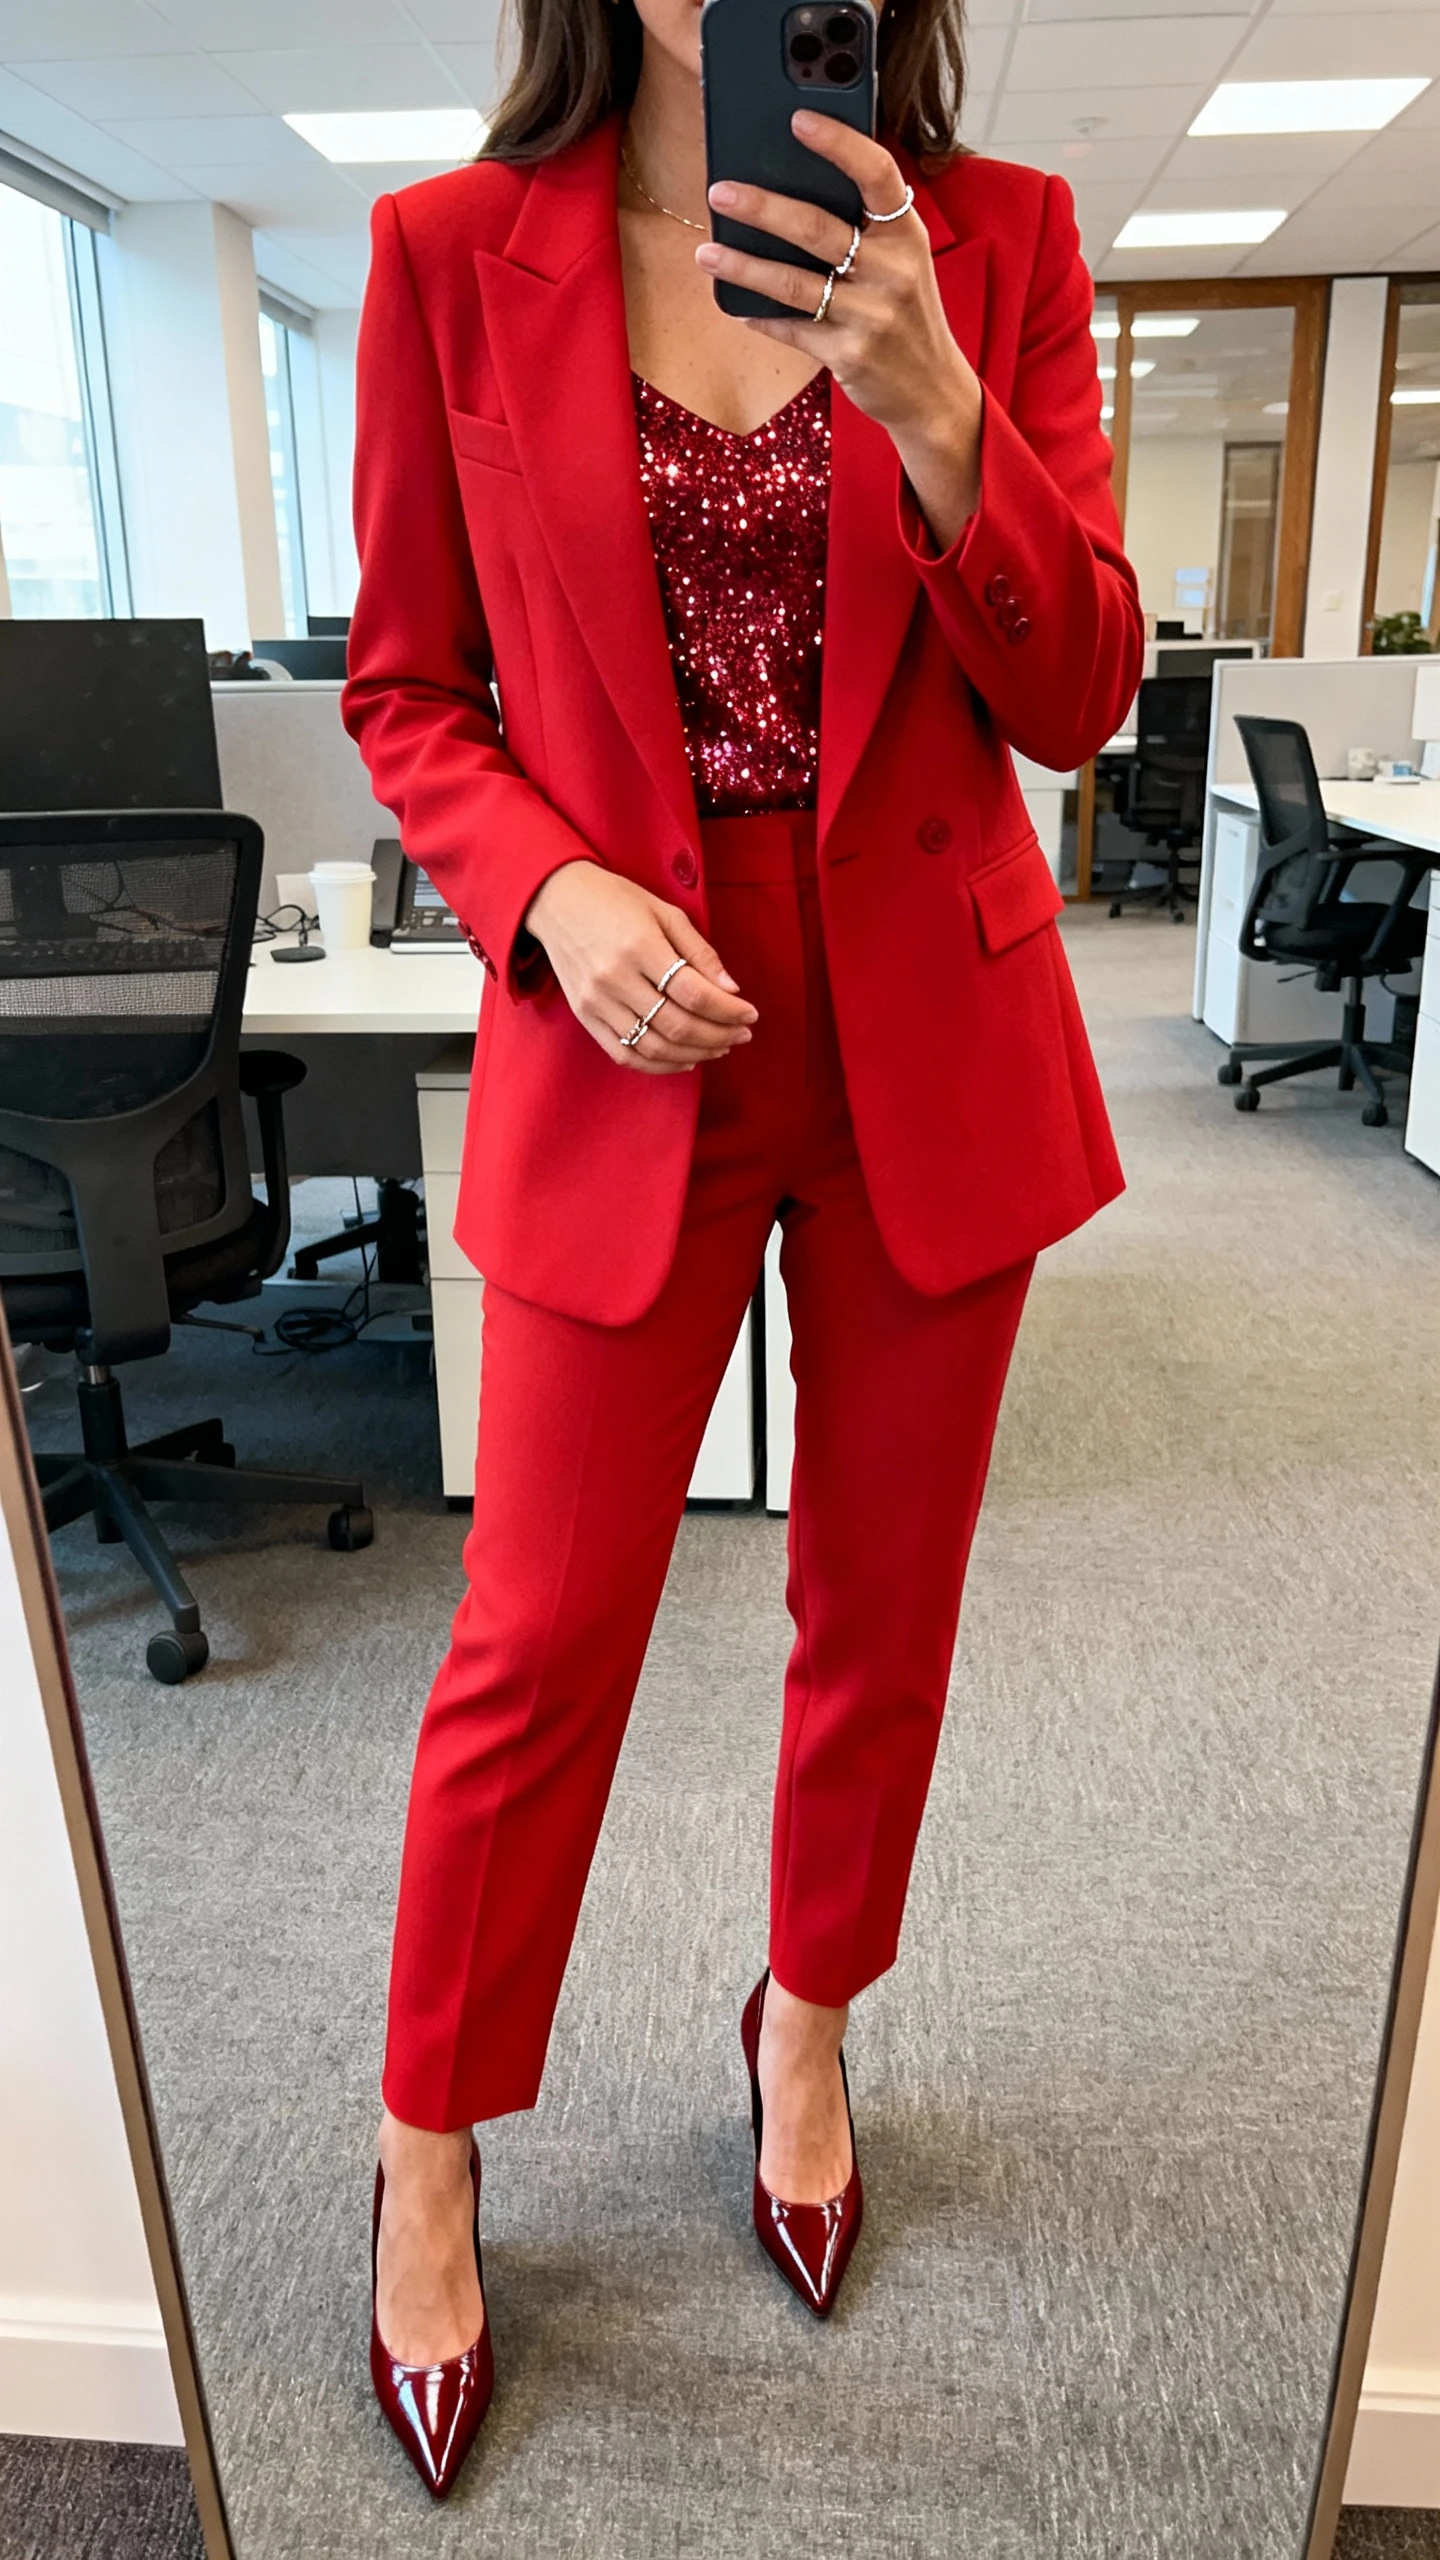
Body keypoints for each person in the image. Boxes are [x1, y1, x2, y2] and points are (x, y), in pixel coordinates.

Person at [342, 0, 1141, 2499]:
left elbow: (1083, 690)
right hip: (625, 1039)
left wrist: (935, 404)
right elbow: (407, 687)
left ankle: (805, 2020)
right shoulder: (449, 254)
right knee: (538, 1634)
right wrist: (546, 892)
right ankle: (435, 2137)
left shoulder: (990, 243)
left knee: (877, 1613)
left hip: (931, 1029)